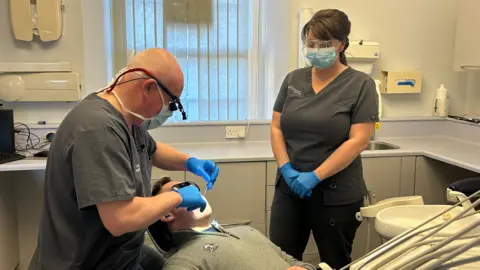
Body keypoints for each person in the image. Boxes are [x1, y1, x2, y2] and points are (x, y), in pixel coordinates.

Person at [28, 48, 220, 270]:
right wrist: (176, 198)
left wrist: (190, 162)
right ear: (148, 87)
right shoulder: (97, 129)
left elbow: (152, 150)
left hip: (120, 253)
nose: (168, 111)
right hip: (86, 262)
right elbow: (120, 217)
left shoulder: (127, 118)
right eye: (170, 104)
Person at [269, 9, 379, 270]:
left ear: (341, 44)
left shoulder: (361, 85)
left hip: (335, 196)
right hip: (289, 189)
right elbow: (276, 127)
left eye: (324, 44)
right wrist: (286, 168)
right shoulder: (293, 79)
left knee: (335, 263)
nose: (316, 49)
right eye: (311, 43)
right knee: (280, 260)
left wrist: (315, 176)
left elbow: (359, 141)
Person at [146, 177, 317, 270]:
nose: (195, 193)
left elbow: (297, 263)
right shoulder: (184, 260)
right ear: (166, 214)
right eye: (181, 190)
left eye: (193, 188)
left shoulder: (246, 231)